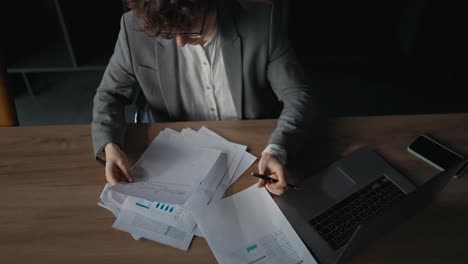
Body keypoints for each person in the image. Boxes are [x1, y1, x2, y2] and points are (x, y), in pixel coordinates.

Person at [92, 0, 315, 195]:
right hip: (176, 157)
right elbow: (110, 94)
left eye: (190, 28)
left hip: (253, 153)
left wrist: (277, 149)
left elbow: (297, 94)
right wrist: (110, 144)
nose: (179, 42)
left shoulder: (261, 21)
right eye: (169, 34)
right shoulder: (134, 29)